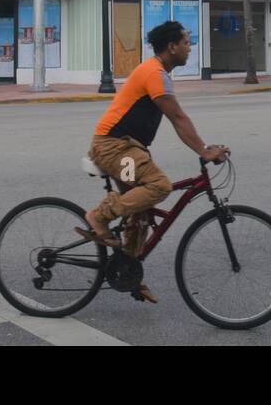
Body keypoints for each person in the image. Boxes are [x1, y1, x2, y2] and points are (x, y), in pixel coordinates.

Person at [79, 19, 228, 304]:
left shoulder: (158, 72)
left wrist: (203, 147)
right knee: (159, 186)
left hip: (128, 149)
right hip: (114, 148)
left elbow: (177, 119)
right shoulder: (154, 73)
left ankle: (127, 272)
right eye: (186, 42)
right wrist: (203, 150)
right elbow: (178, 118)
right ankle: (99, 216)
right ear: (172, 47)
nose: (190, 47)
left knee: (141, 212)